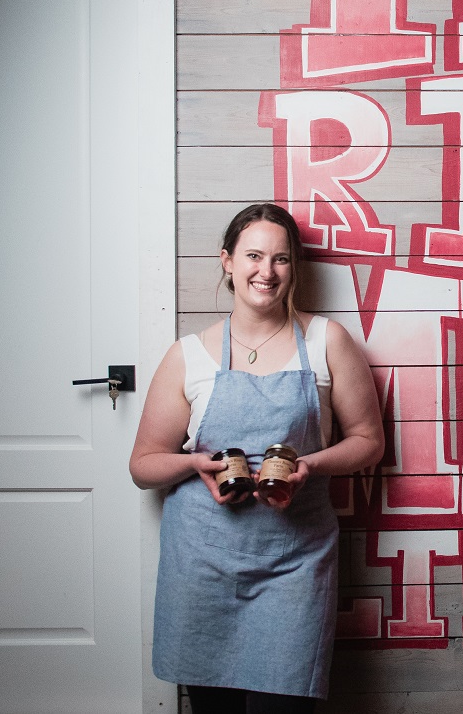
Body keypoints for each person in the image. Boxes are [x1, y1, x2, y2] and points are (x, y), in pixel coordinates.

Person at [130, 203, 385, 714]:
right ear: (227, 261)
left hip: (295, 562)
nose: (266, 272)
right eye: (253, 256)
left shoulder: (325, 341)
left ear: (294, 267)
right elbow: (143, 465)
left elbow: (368, 440)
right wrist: (193, 464)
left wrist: (313, 466)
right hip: (202, 563)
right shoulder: (190, 354)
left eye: (281, 259)